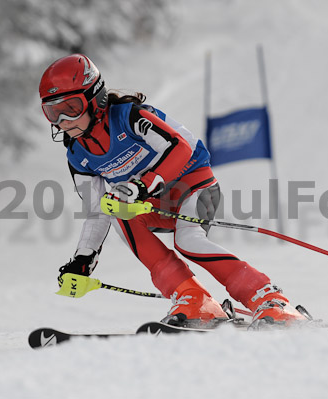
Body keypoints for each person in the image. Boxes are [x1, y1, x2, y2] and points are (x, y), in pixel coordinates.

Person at [39, 54, 307, 328]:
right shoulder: (76, 155)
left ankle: (268, 298)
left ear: (95, 98)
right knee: (116, 210)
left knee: (188, 240)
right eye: (52, 112)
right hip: (151, 204)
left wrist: (143, 185)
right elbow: (96, 211)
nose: (62, 120)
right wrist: (83, 259)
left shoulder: (129, 117)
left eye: (71, 107)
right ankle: (194, 299)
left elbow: (181, 146)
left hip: (194, 186)